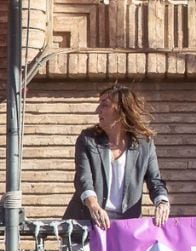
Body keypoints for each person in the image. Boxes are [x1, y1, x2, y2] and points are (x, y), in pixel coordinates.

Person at [65, 83, 171, 230]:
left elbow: (155, 181)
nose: (98, 110)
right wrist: (93, 205)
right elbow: (83, 179)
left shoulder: (144, 145)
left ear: (121, 110)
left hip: (124, 228)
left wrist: (162, 202)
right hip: (84, 225)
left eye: (104, 105)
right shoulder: (87, 139)